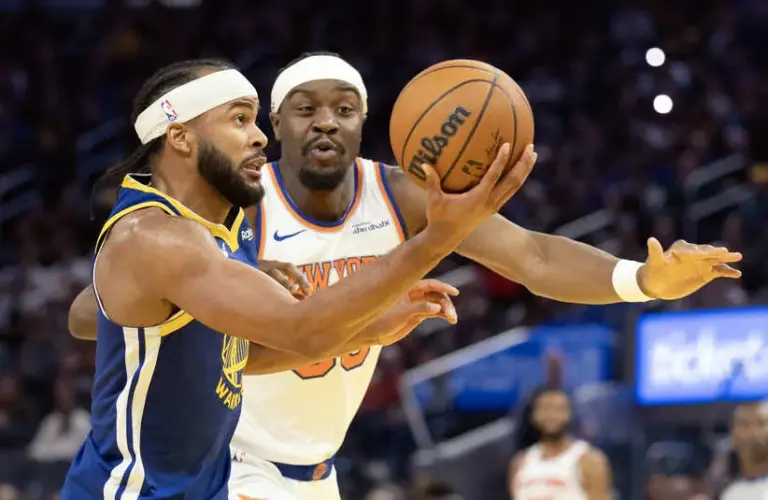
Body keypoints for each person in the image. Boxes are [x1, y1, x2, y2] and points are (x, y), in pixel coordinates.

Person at [68, 53, 742, 500]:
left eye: (344, 108)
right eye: (303, 109)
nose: (325, 122)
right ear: (280, 123)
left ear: (367, 122)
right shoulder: (230, 208)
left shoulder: (400, 195)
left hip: (314, 469)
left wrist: (642, 280)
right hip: (233, 464)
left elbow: (533, 257)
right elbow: (102, 308)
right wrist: (224, 280)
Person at [60, 58, 534, 500]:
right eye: (239, 119)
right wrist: (436, 240)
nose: (259, 137)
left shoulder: (221, 231)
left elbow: (241, 359)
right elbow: (303, 330)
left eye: (255, 120)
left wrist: (369, 331)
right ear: (180, 136)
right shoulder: (157, 237)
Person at [509, 388, 612, 500]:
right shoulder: (520, 463)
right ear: (533, 415)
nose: (551, 415)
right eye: (545, 408)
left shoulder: (588, 459)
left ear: (570, 414)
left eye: (559, 409)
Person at [720, 401, 768, 500]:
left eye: (762, 424)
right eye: (745, 425)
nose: (754, 433)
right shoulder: (730, 494)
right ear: (733, 435)